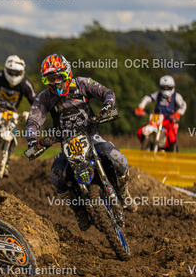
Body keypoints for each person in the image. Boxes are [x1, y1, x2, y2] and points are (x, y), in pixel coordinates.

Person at [25, 54, 136, 231]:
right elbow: (33, 120)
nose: (55, 82)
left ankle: (124, 194)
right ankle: (79, 211)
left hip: (91, 136)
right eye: (50, 79)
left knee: (119, 159)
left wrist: (108, 106)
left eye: (58, 77)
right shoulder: (44, 97)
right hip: (66, 143)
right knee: (56, 177)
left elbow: (106, 92)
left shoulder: (82, 83)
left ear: (67, 73)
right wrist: (32, 140)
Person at [135, 75, 186, 151]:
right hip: (156, 120)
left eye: (168, 87)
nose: (166, 89)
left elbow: (183, 105)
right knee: (140, 132)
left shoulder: (176, 96)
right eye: (164, 87)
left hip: (168, 121)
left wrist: (179, 112)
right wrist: (141, 107)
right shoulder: (158, 94)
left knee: (172, 139)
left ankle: (173, 152)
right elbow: (148, 98)